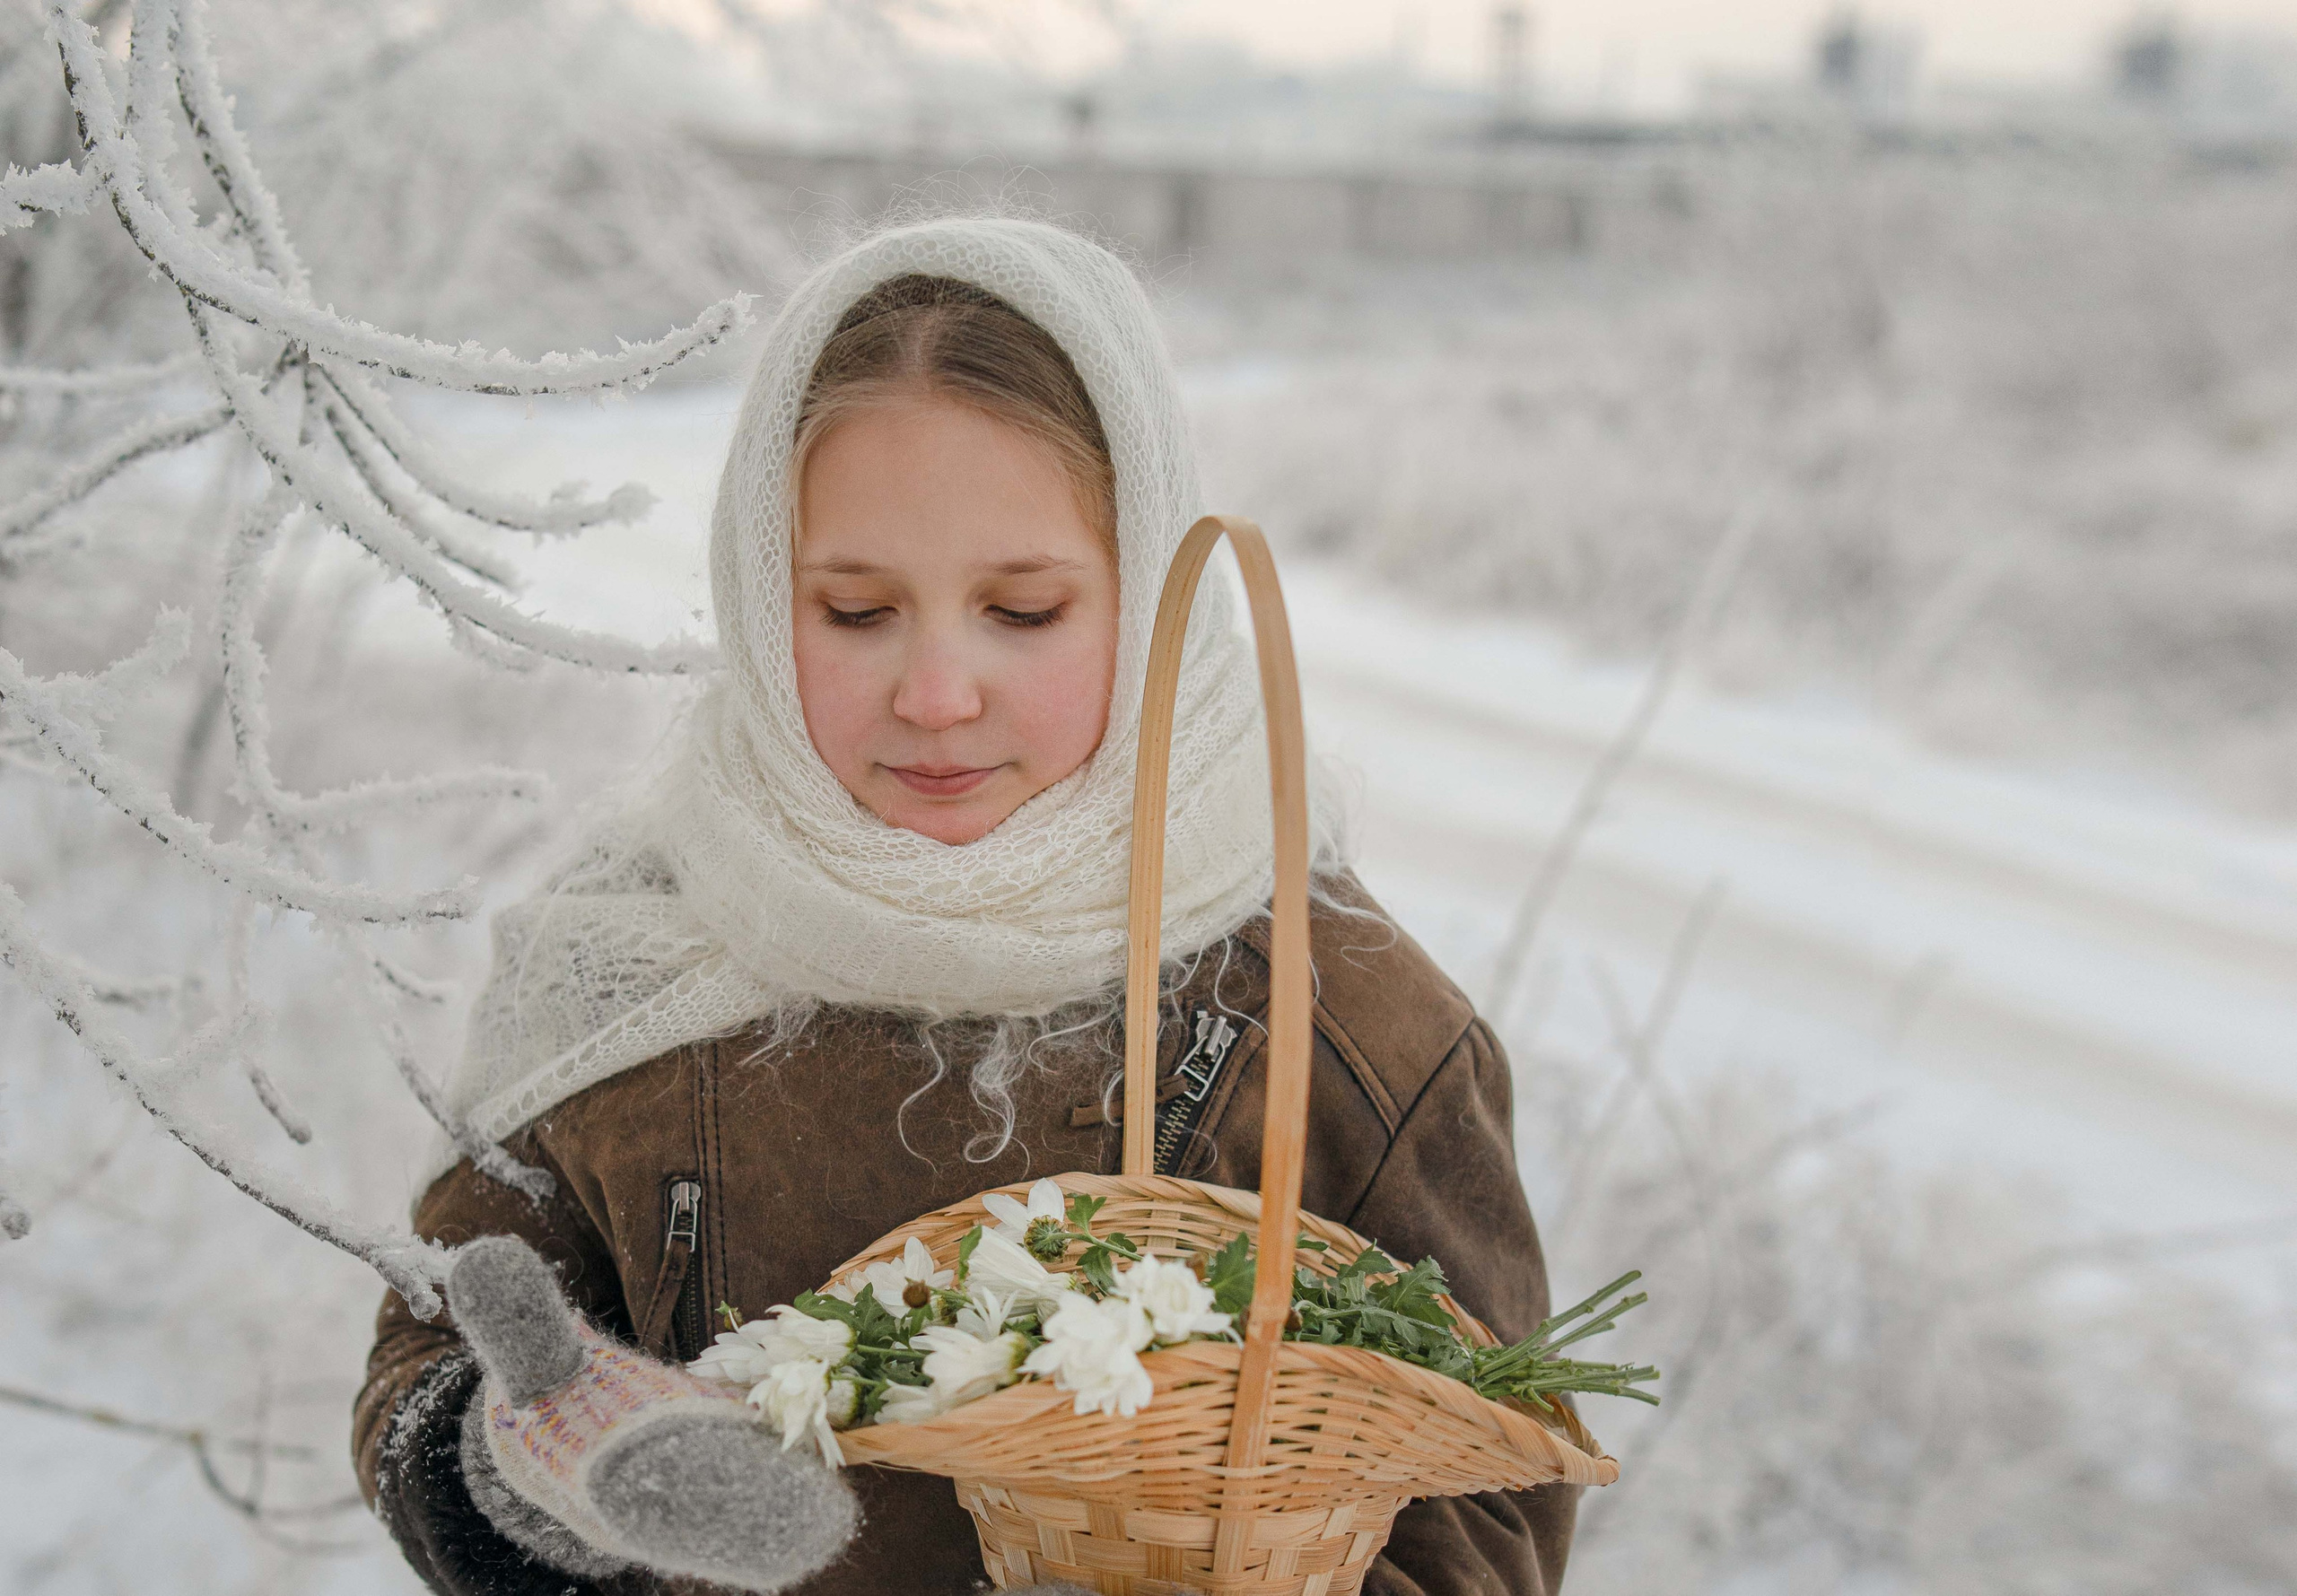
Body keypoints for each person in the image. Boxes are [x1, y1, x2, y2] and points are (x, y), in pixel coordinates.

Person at [354, 217, 1578, 1595]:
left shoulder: (1333, 1021)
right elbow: (434, 1356)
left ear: (1144, 586)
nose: (936, 694)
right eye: (859, 613)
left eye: (1026, 611)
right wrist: (514, 1473)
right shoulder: (630, 961)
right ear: (762, 603)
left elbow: (1487, 1506)